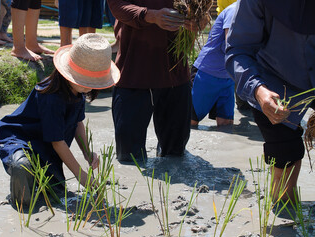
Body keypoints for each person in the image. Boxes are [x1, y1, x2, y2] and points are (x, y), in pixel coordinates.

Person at [0, 33, 120, 206]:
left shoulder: (79, 91)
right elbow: (58, 142)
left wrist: (87, 152)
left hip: (46, 147)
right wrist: (82, 176)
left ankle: (35, 180)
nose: (88, 85)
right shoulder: (51, 96)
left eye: (93, 81)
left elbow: (77, 123)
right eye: (85, 80)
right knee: (23, 167)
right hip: (22, 140)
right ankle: (19, 202)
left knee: (55, 193)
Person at [226, 0, 315, 202]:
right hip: (274, 81)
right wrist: (258, 90)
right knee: (286, 151)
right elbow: (237, 51)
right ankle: (283, 207)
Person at [107, 0, 209, 162]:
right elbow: (117, 5)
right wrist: (150, 15)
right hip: (133, 72)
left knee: (175, 156)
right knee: (129, 158)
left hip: (174, 73)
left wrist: (199, 20)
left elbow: (201, 9)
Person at [191, 2, 237, 127]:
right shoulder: (234, 11)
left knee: (226, 124)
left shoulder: (253, 16)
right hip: (206, 73)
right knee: (190, 121)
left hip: (227, 77)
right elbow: (230, 45)